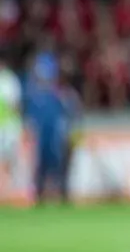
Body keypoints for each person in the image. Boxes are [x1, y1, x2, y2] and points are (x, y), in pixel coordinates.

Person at [23, 54, 79, 205]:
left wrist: (70, 135)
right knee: (41, 166)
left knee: (60, 167)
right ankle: (40, 196)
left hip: (57, 137)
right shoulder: (35, 96)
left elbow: (71, 116)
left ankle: (63, 195)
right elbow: (30, 120)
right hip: (43, 138)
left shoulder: (61, 94)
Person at [0, 52, 23, 184]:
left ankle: (9, 190)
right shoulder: (10, 80)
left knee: (9, 160)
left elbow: (15, 105)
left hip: (8, 127)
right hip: (6, 126)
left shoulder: (9, 80)